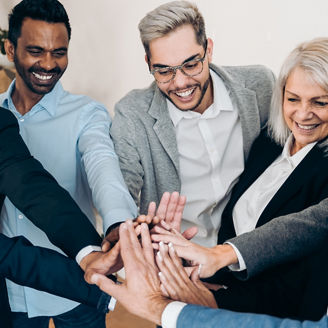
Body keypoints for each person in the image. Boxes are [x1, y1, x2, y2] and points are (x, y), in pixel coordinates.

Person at [151, 37, 328, 320]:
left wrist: (216, 298)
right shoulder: (270, 139)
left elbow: (301, 283)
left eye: (320, 102)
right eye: (293, 99)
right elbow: (237, 225)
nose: (303, 114)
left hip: (267, 313)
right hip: (225, 288)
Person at [0, 0, 137, 326]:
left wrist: (118, 223)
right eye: (36, 50)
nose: (48, 63)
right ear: (10, 49)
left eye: (58, 52)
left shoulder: (86, 113)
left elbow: (103, 166)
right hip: (12, 288)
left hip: (81, 278)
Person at [111, 0, 274, 248]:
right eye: (164, 71)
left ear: (208, 50)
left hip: (250, 252)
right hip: (176, 259)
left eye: (191, 64)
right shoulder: (132, 114)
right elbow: (121, 187)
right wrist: (123, 227)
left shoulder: (259, 87)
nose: (180, 83)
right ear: (148, 63)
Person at [0, 108, 121, 327]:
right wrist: (88, 285)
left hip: (76, 295)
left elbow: (28, 184)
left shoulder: (87, 112)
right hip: (15, 297)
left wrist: (89, 252)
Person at [87, 220, 328, 328]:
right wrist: (218, 294)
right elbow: (314, 224)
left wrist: (159, 308)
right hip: (223, 292)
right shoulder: (267, 139)